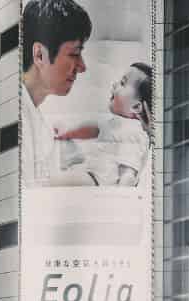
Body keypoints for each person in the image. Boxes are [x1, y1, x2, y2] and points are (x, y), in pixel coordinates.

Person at [20, 0, 92, 186]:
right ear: (40, 55)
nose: (82, 67)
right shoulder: (15, 117)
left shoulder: (37, 122)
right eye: (75, 54)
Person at [53, 63, 153, 186]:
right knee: (63, 132)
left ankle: (50, 175)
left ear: (136, 106)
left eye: (122, 83)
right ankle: (69, 161)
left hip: (97, 180)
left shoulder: (134, 131)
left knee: (53, 181)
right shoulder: (120, 124)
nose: (114, 84)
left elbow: (129, 170)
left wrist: (123, 187)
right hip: (90, 169)